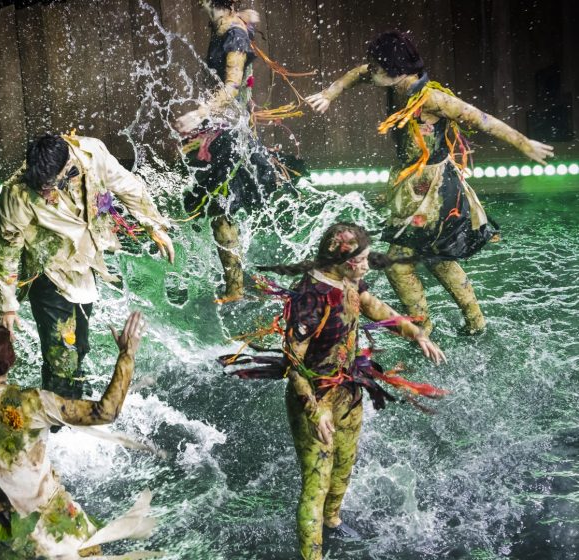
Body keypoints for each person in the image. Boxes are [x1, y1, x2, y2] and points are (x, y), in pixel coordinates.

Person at [221, 222, 446, 560]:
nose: (368, 265)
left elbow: (374, 306)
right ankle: (311, 554)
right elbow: (293, 363)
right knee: (316, 484)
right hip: (316, 399)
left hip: (349, 386)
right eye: (363, 259)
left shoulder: (349, 279)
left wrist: (416, 334)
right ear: (341, 259)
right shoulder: (310, 298)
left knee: (344, 465)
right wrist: (314, 411)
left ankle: (333, 521)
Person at [305, 31, 554, 334]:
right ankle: (473, 322)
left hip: (433, 190)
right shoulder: (395, 82)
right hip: (414, 184)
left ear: (395, 70)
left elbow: (481, 119)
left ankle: (422, 330)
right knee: (437, 256)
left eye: (375, 66)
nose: (369, 70)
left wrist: (523, 143)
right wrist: (329, 94)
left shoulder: (431, 99)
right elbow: (356, 74)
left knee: (399, 263)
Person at [0, 310, 159, 559]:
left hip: (5, 534)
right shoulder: (35, 403)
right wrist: (127, 354)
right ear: (11, 359)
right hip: (57, 521)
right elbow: (106, 412)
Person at [0, 133, 175, 399]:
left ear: (66, 167)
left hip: (85, 265)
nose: (43, 192)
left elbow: (128, 186)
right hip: (47, 273)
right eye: (39, 186)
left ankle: (72, 401)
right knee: (61, 357)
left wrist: (153, 224)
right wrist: (7, 305)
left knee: (80, 347)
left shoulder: (93, 153)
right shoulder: (17, 192)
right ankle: (59, 422)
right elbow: (6, 250)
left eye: (48, 186)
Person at [175, 0, 289, 301]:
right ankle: (235, 284)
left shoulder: (234, 34)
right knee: (219, 212)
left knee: (220, 211)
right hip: (221, 128)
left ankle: (235, 288)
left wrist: (199, 114)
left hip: (228, 132)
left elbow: (232, 88)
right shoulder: (225, 27)